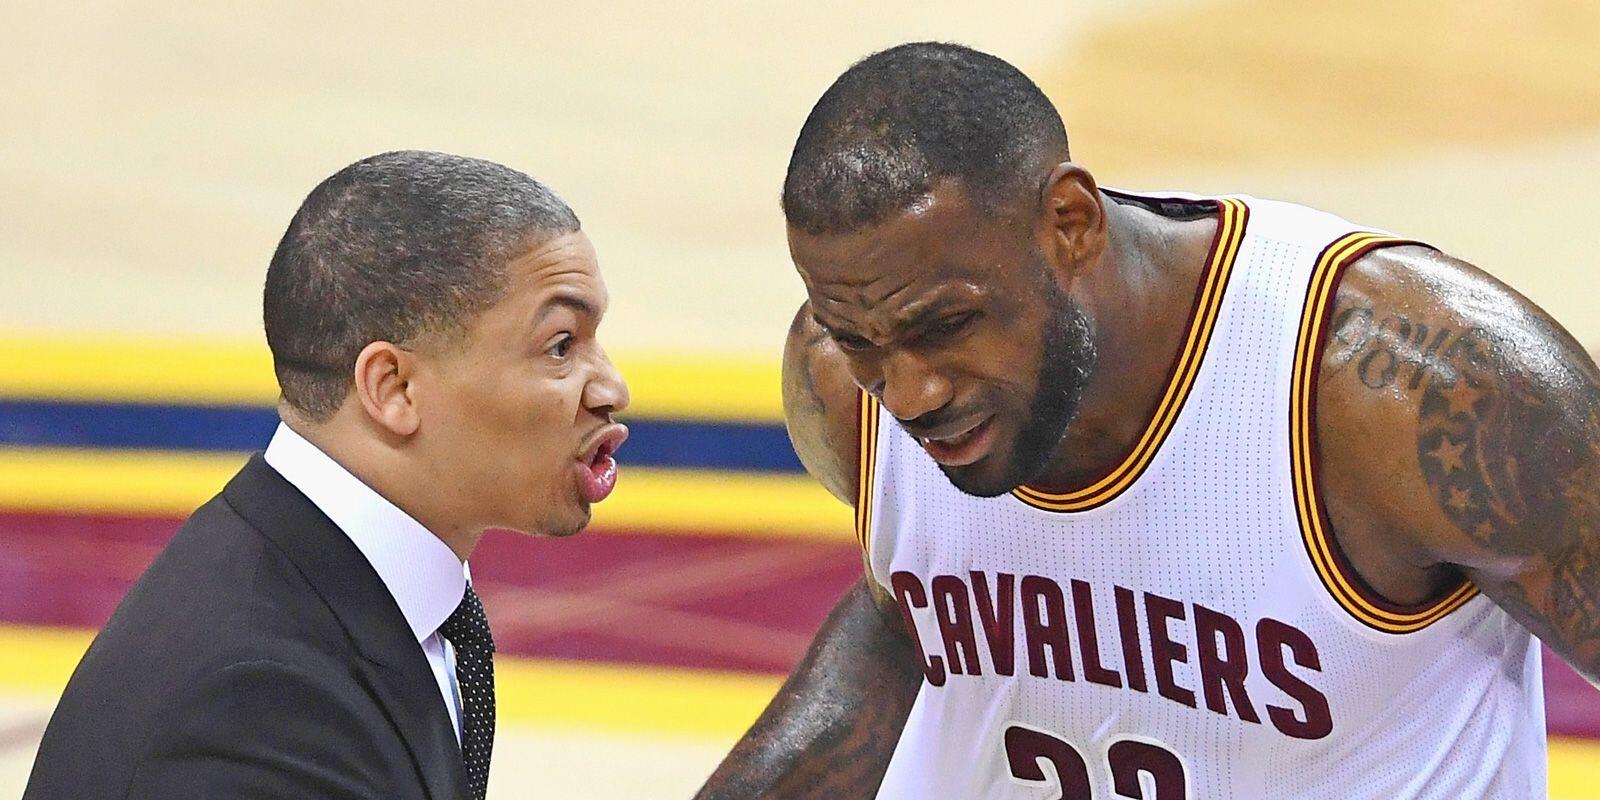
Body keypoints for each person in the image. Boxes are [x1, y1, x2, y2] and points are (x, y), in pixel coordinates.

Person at [697, 43, 1600, 799]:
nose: (909, 395)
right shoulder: (840, 381)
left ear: (1071, 223)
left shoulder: (1412, 393)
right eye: (861, 339)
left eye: (947, 327)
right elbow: (910, 614)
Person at [24, 150, 629, 799]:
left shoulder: (330, 596)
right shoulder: (254, 707)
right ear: (393, 388)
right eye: (561, 345)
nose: (613, 389)